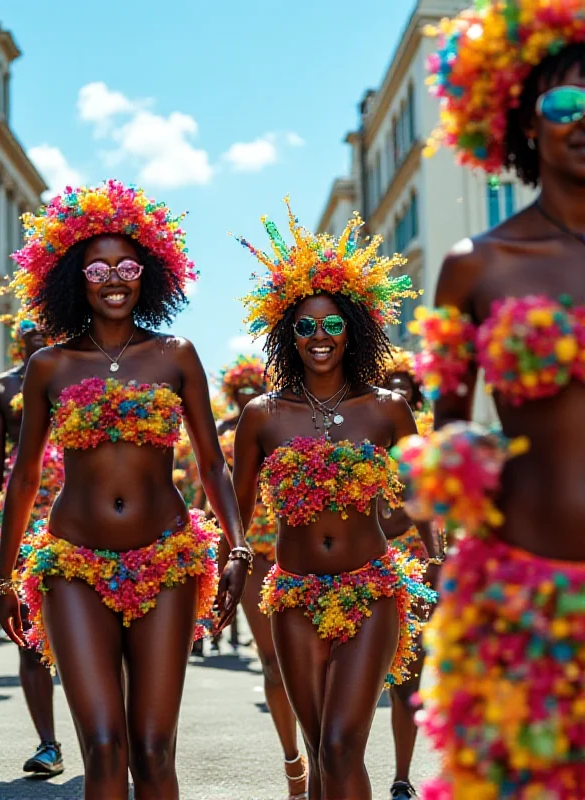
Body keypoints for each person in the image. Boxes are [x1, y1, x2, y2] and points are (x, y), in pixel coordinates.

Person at [0, 180, 250, 800]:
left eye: (128, 265)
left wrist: (236, 547)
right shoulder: (50, 365)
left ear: (149, 274)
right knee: (103, 746)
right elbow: (25, 476)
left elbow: (213, 466)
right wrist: (2, 578)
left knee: (154, 750)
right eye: (98, 266)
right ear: (73, 279)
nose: (114, 277)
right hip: (74, 564)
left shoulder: (176, 355)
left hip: (165, 561)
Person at [397, 3, 585, 795]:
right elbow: (447, 431)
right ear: (524, 121)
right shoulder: (478, 264)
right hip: (522, 584)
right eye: (565, 102)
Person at [232, 200, 440, 800]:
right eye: (304, 326)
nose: (319, 337)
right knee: (323, 747)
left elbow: (422, 490)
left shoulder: (386, 409)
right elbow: (238, 507)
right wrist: (233, 559)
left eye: (331, 325)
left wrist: (437, 556)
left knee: (345, 743)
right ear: (286, 334)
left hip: (371, 586)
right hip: (293, 591)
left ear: (354, 328)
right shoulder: (262, 416)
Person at [217, 354, 307, 798]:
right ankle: (294, 761)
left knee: (315, 668)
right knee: (273, 663)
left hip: (299, 544)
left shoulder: (288, 415)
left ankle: (325, 759)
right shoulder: (227, 432)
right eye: (242, 390)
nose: (249, 395)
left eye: (256, 386)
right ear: (233, 393)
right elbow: (225, 493)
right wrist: (224, 552)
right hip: (254, 547)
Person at [0, 318, 65, 777]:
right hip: (21, 513)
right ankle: (48, 745)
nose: (35, 329)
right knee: (28, 631)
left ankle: (118, 742)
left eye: (44, 324)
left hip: (80, 507)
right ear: (14, 336)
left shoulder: (80, 372)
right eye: (26, 324)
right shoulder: (1, 389)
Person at [378, 347, 437, 800]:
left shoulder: (431, 440)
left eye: (408, 384)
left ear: (416, 392)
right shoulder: (364, 426)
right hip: (361, 558)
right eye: (391, 383)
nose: (400, 389)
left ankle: (401, 776)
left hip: (416, 559)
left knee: (408, 673)